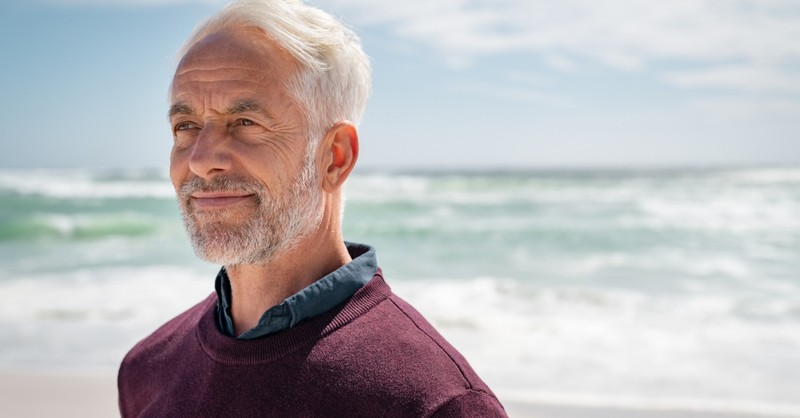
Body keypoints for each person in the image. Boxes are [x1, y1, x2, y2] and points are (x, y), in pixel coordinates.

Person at [117, 0, 507, 416]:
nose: (200, 159)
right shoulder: (147, 369)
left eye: (246, 123)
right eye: (186, 127)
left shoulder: (434, 402)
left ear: (335, 157)